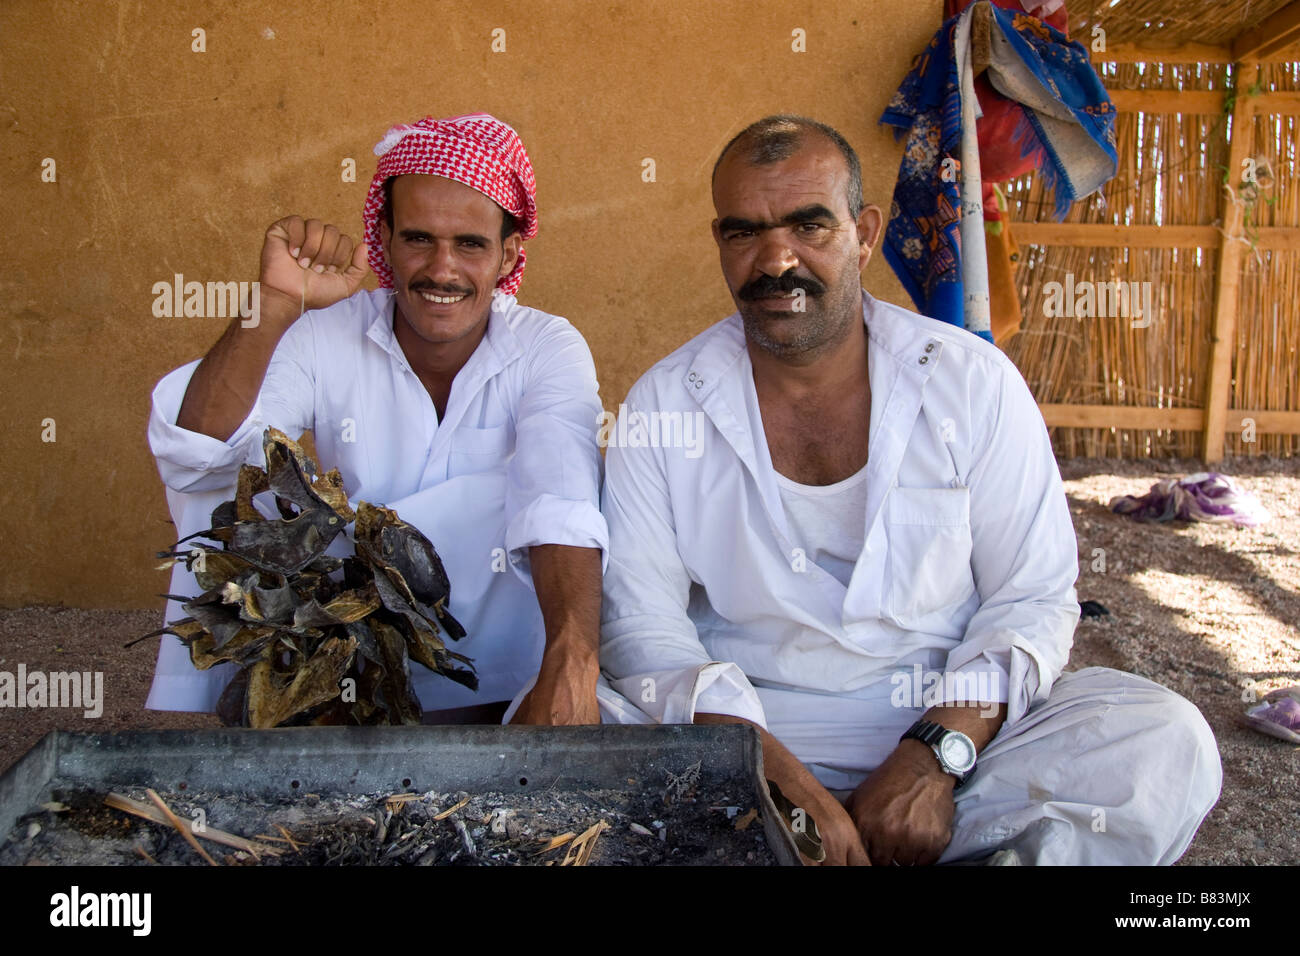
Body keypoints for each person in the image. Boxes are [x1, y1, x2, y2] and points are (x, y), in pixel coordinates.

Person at [595, 115, 1222, 865]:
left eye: (808, 225)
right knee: (552, 728)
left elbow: (1033, 597)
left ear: (863, 233)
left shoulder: (972, 384)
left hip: (948, 735)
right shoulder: (665, 404)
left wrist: (935, 755)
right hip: (745, 732)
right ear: (720, 243)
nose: (776, 259)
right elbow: (640, 622)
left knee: (1160, 738)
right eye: (745, 232)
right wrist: (767, 771)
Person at [146, 113, 604, 725]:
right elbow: (198, 453)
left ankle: (517, 690)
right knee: (225, 477)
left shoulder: (547, 344)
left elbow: (560, 493)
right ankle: (277, 688)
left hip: (501, 654)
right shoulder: (325, 336)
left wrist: (574, 661)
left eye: (470, 244)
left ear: (508, 254)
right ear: (384, 239)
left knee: (556, 491)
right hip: (350, 634)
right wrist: (276, 303)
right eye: (419, 239)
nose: (442, 270)